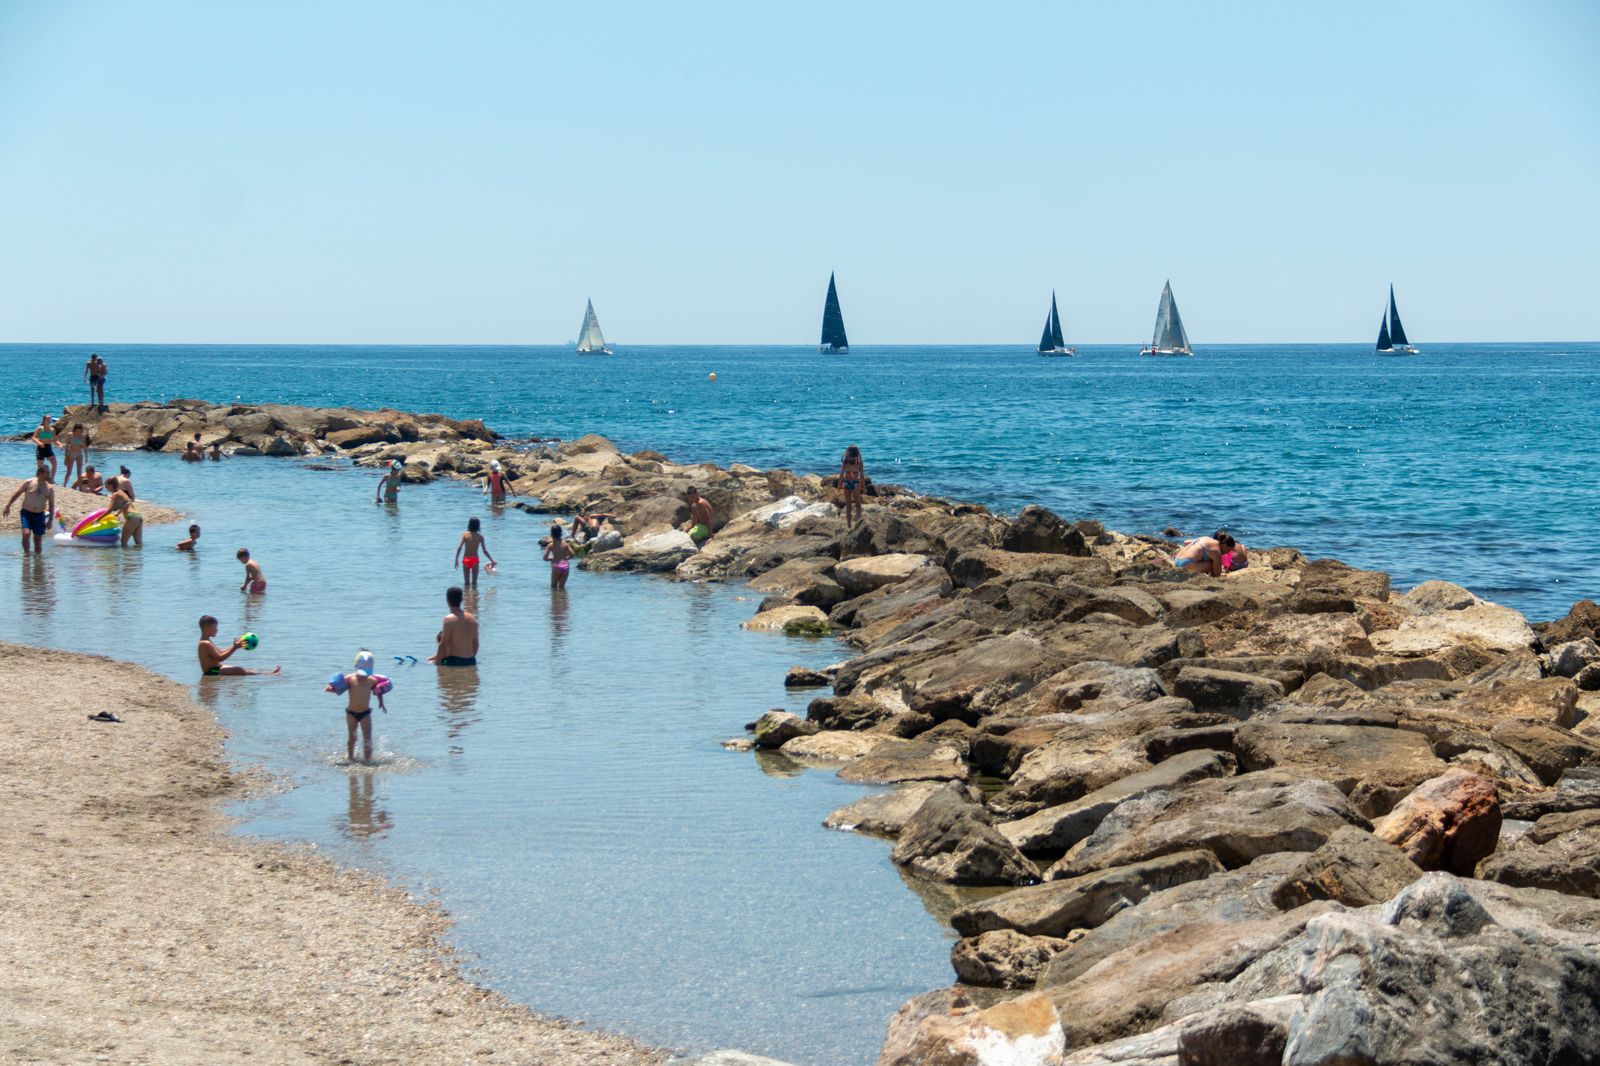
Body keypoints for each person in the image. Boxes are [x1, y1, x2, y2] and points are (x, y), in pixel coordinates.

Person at [327, 650, 388, 763]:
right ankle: (350, 758)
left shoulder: (371, 680)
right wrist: (331, 688)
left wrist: (381, 702)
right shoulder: (350, 679)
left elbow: (378, 691)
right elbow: (335, 688)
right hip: (351, 713)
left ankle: (368, 761)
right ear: (356, 666)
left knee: (367, 738)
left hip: (365, 713)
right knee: (352, 737)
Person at [196, 615, 279, 677]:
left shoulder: (207, 641)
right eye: (215, 628)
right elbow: (220, 658)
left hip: (215, 668)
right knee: (240, 670)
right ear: (207, 629)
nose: (217, 630)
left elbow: (220, 652)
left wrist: (236, 645)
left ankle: (266, 673)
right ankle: (269, 674)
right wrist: (234, 648)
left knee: (242, 670)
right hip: (211, 672)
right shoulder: (205, 643)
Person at [4, 465, 56, 554]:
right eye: (47, 473)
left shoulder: (50, 489)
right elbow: (17, 494)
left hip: (39, 515)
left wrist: (50, 520)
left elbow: (51, 505)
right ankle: (26, 555)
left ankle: (38, 563)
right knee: (26, 533)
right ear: (40, 473)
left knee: (38, 540)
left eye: (49, 472)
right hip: (26, 513)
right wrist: (8, 506)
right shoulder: (29, 482)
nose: (49, 475)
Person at [430, 586, 479, 666]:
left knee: (428, 662)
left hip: (454, 661)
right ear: (461, 600)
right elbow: (476, 643)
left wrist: (437, 663)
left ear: (447, 600)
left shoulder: (448, 619)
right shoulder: (472, 618)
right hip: (470, 660)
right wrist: (470, 659)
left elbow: (443, 644)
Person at [454, 516, 495, 588]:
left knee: (466, 584)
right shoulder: (480, 536)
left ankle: (467, 598)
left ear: (469, 524)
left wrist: (456, 559)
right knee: (474, 584)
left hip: (466, 560)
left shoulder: (465, 534)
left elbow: (459, 547)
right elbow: (484, 551)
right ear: (478, 526)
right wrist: (492, 560)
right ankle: (475, 598)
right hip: (475, 560)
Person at [107, 472, 142, 547]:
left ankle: (126, 558)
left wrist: (97, 519)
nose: (106, 489)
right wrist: (117, 514)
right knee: (138, 544)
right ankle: (138, 558)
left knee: (123, 543)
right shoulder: (122, 492)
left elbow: (109, 510)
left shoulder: (115, 494)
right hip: (138, 516)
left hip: (131, 517)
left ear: (110, 486)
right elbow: (126, 504)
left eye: (106, 486)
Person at [838, 444, 866, 527]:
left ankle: (849, 525)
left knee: (848, 506)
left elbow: (841, 475)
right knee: (858, 506)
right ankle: (858, 524)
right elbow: (862, 476)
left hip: (846, 484)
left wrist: (839, 485)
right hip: (855, 484)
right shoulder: (859, 463)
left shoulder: (845, 462)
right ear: (857, 453)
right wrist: (863, 487)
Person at [543, 523, 574, 590]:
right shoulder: (565, 544)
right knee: (562, 588)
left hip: (556, 566)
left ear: (551, 534)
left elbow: (545, 558)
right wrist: (566, 558)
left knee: (553, 587)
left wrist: (552, 559)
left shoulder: (550, 545)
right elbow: (572, 554)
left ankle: (556, 599)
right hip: (565, 566)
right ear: (561, 533)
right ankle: (562, 599)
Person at [31, 415, 57, 481]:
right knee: (40, 467)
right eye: (47, 419)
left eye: (50, 419)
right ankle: (38, 479)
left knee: (54, 463)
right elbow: (33, 438)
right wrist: (39, 443)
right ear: (44, 420)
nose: (49, 420)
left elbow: (55, 440)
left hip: (48, 448)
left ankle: (52, 479)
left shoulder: (52, 430)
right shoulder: (40, 428)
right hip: (41, 448)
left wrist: (59, 444)